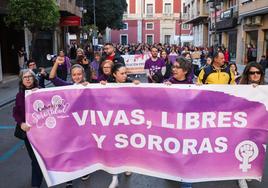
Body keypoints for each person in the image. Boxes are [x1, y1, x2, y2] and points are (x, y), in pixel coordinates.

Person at [49, 56, 90, 188]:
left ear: (83, 75)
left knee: (82, 149)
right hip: (68, 126)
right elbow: (52, 78)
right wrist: (56, 63)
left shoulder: (90, 86)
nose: (77, 77)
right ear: (71, 76)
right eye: (74, 75)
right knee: (69, 150)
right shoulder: (67, 86)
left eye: (79, 74)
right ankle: (69, 177)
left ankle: (84, 170)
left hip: (83, 124)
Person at [13, 69, 43, 188]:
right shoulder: (20, 95)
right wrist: (21, 123)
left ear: (34, 78)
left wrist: (40, 92)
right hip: (28, 132)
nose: (28, 79)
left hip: (42, 131)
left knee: (39, 158)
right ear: (22, 80)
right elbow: (16, 112)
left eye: (30, 76)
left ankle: (36, 183)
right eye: (25, 77)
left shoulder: (41, 91)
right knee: (35, 158)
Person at [237, 62, 265, 188]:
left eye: (258, 72)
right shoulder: (239, 87)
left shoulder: (265, 89)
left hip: (259, 125)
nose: (255, 75)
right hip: (243, 124)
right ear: (247, 74)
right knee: (242, 149)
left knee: (256, 150)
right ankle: (240, 176)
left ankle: (248, 172)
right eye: (252, 73)